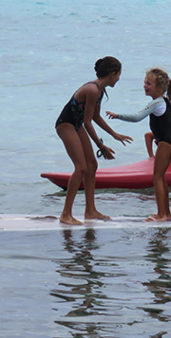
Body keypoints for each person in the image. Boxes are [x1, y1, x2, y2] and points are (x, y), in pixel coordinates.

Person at [56, 56, 133, 225]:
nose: (119, 78)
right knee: (81, 167)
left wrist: (114, 134)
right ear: (113, 74)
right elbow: (87, 121)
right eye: (119, 74)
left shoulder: (99, 90)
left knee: (92, 165)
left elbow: (95, 117)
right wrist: (101, 145)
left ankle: (90, 211)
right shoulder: (92, 90)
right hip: (66, 124)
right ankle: (65, 214)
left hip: (76, 125)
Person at [107, 67, 171, 221]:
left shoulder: (157, 103)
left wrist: (118, 115)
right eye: (145, 82)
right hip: (170, 141)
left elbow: (137, 117)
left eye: (149, 83)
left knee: (157, 177)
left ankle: (161, 214)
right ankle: (167, 213)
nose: (145, 85)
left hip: (166, 142)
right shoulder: (165, 102)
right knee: (161, 177)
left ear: (159, 87)